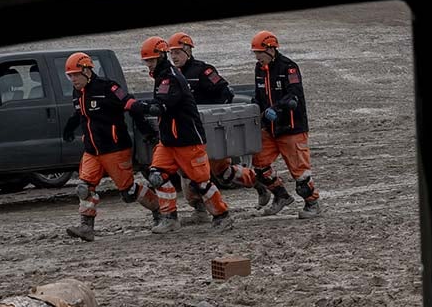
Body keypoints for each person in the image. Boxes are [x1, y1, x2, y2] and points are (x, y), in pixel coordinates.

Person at [128, 36, 234, 233]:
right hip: (168, 141)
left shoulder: (171, 78)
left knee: (201, 183)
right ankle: (169, 218)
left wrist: (136, 106)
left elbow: (161, 107)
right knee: (157, 176)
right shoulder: (163, 77)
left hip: (188, 140)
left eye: (151, 60)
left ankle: (222, 215)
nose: (149, 65)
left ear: (160, 57)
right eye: (147, 61)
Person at [60, 52, 160, 241]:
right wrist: (69, 128)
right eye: (70, 76)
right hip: (92, 150)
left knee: (129, 192)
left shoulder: (108, 87)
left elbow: (129, 103)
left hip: (115, 148)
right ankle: (86, 227)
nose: (73, 79)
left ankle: (159, 209)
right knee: (84, 187)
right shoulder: (78, 92)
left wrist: (147, 123)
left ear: (87, 71)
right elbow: (79, 113)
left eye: (75, 74)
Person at [166, 31, 259, 222]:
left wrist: (214, 115)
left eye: (177, 52)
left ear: (188, 50)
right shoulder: (172, 75)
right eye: (171, 53)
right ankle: (200, 211)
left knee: (223, 172)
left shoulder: (203, 71)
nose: (174, 57)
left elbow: (225, 93)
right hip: (190, 133)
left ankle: (260, 183)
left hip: (209, 131)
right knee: (188, 174)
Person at [250, 30, 321, 218]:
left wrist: (278, 109)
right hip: (270, 129)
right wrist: (254, 107)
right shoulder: (259, 69)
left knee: (301, 175)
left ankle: (312, 203)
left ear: (271, 50)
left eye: (259, 53)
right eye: (255, 53)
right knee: (260, 167)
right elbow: (259, 95)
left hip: (291, 129)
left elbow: (294, 94)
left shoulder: (289, 67)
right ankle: (281, 196)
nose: (257, 57)